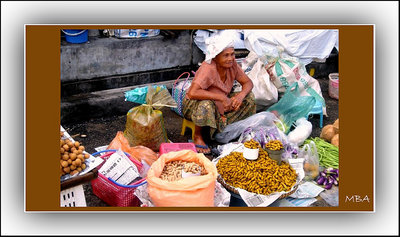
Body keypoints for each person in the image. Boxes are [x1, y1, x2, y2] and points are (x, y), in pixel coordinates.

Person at [183, 31, 256, 154]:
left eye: (232, 54)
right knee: (206, 104)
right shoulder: (208, 68)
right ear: (216, 57)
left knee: (249, 98)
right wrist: (221, 97)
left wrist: (240, 96)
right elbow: (192, 93)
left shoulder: (233, 66)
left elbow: (248, 83)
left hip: (219, 104)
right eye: (226, 55)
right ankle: (198, 136)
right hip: (194, 106)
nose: (230, 59)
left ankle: (222, 129)